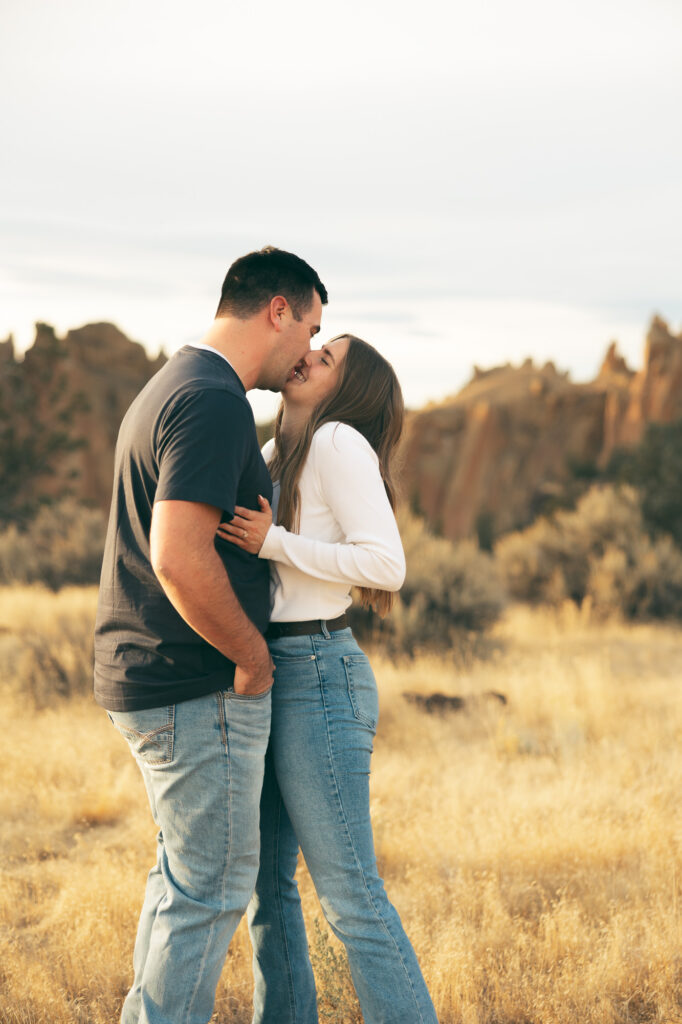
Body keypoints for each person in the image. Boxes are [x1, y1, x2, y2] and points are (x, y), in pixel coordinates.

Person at [94, 246, 327, 1024]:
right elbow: (176, 555)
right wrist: (253, 660)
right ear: (278, 312)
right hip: (197, 688)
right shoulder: (213, 399)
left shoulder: (173, 384)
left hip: (154, 680)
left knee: (182, 884)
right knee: (212, 893)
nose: (307, 352)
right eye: (312, 328)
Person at [218, 334, 438, 1024]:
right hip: (271, 672)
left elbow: (385, 565)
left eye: (329, 358)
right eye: (315, 346)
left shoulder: (338, 441)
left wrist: (274, 542)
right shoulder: (278, 452)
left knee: (350, 896)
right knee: (266, 887)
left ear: (347, 389)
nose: (310, 355)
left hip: (318, 672)